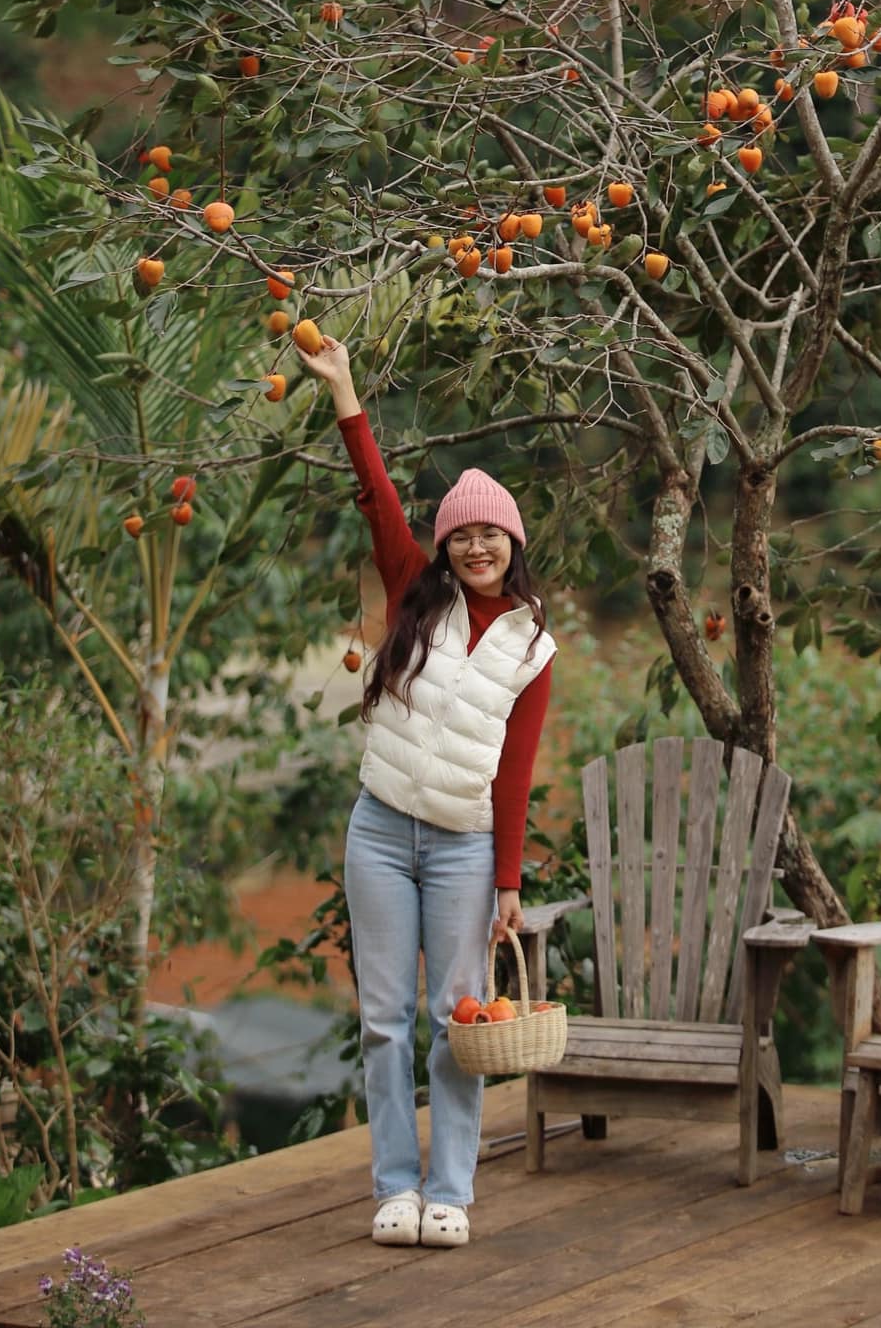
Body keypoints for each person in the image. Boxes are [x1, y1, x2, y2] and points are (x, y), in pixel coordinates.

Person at [299, 335, 555, 1250]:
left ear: (512, 543)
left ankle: (449, 1189)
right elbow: (374, 492)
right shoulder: (417, 591)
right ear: (444, 543)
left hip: (459, 846)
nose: (477, 543)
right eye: (463, 531)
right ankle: (393, 1187)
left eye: (493, 532)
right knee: (380, 1023)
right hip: (379, 831)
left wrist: (509, 884)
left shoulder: (533, 649)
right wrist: (345, 392)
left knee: (456, 1023)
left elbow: (515, 773)